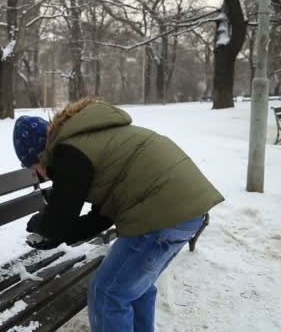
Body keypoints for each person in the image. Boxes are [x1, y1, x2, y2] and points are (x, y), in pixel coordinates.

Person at [12, 97, 224, 332]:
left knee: (107, 295)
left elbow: (59, 221)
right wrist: (57, 233)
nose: (40, 175)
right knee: (136, 289)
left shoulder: (68, 151)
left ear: (38, 155)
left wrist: (40, 225)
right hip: (185, 208)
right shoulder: (89, 139)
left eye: (33, 168)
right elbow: (101, 216)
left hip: (161, 211)